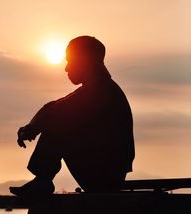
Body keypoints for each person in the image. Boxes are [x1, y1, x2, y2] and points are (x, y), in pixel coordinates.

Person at [10, 36, 135, 200]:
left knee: (57, 127)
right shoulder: (100, 88)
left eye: (70, 61)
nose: (66, 68)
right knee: (57, 121)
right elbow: (56, 106)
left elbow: (55, 111)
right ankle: (42, 179)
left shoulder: (100, 91)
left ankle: (42, 180)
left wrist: (31, 128)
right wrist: (32, 126)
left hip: (105, 173)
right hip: (107, 170)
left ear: (85, 61)